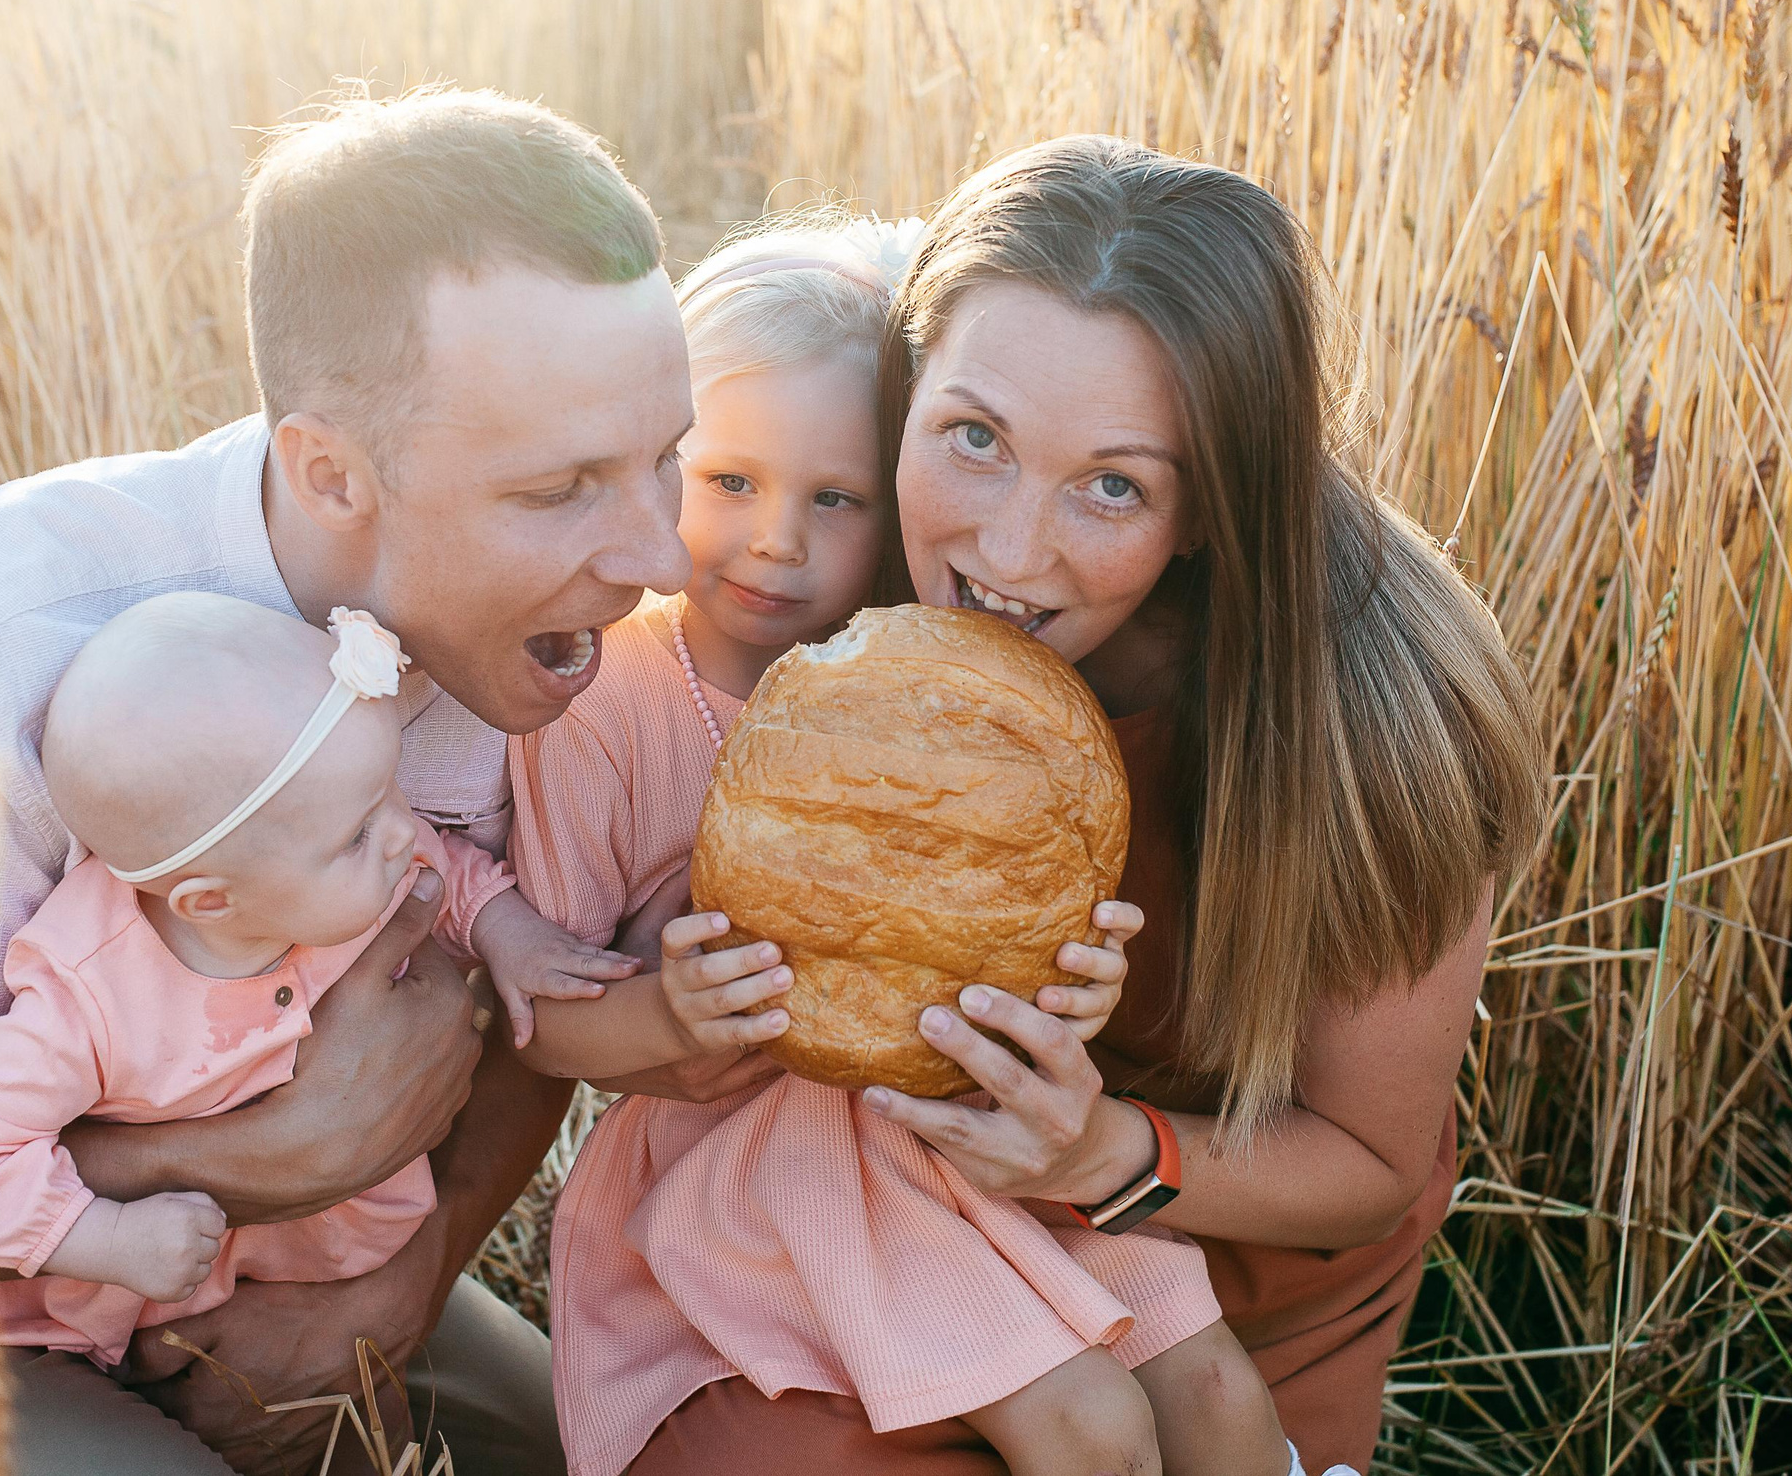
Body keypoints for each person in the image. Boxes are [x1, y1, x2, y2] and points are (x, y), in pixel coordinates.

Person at [0, 86, 693, 1475]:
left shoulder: (552, 645)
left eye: (668, 456)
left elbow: (534, 992)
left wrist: (400, 1287)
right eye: (565, 487)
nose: (660, 558)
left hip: (298, 1265)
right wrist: (263, 1154)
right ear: (332, 472)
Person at [624, 137, 1547, 1475]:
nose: (1006, 552)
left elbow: (1368, 1158)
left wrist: (1102, 1147)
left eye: (1114, 484)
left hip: (1224, 1248)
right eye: (974, 437)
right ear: (910, 393)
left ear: (1213, 503)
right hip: (905, 1201)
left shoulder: (1384, 714)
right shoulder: (841, 552)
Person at [468, 221, 1299, 1476]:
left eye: (834, 497)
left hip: (957, 1126)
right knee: (1096, 1435)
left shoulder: (930, 668)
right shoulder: (607, 705)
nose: (778, 541)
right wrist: (673, 1011)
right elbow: (550, 1023)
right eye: (728, 480)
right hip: (767, 1169)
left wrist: (1068, 987)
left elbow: (989, 927)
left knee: (1223, 1408)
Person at [0, 598, 570, 1368]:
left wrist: (506, 931)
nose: (400, 831)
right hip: (74, 1336)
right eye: (357, 831)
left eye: (389, 789)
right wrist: (101, 1237)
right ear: (210, 901)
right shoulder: (94, 998)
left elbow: (440, 866)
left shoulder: (336, 866)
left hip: (300, 1286)